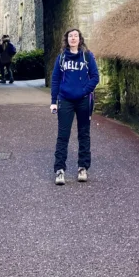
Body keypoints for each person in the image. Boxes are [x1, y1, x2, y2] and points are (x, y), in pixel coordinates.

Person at [50, 28, 100, 185]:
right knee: (63, 135)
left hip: (84, 100)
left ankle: (83, 167)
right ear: (67, 39)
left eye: (75, 36)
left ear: (80, 39)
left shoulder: (87, 56)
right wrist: (53, 101)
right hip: (65, 100)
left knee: (84, 134)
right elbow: (55, 80)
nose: (73, 38)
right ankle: (59, 170)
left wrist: (84, 90)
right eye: (70, 36)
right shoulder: (61, 58)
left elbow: (95, 77)